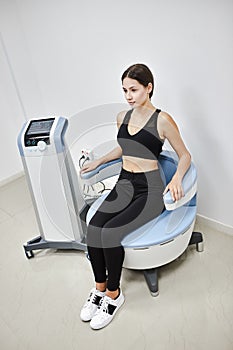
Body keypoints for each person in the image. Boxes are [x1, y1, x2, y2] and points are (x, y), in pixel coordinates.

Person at [79, 63, 191, 330]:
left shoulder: (163, 120)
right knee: (94, 228)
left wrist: (176, 177)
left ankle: (113, 296)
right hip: (124, 182)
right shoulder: (122, 117)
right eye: (124, 90)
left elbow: (184, 155)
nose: (128, 95)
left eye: (134, 89)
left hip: (149, 190)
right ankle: (98, 290)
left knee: (110, 233)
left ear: (148, 88)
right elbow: (123, 148)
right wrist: (99, 161)